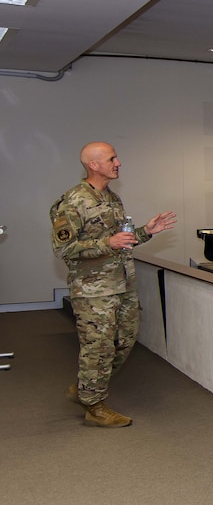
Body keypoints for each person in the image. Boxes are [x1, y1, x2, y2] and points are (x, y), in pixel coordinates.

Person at [51, 141, 176, 427]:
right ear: (94, 165)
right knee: (98, 348)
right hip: (93, 290)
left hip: (122, 285)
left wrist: (146, 231)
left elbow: (121, 242)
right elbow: (63, 249)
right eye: (112, 158)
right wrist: (106, 242)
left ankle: (85, 387)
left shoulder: (112, 198)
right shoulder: (73, 201)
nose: (118, 163)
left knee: (125, 341)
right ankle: (94, 405)